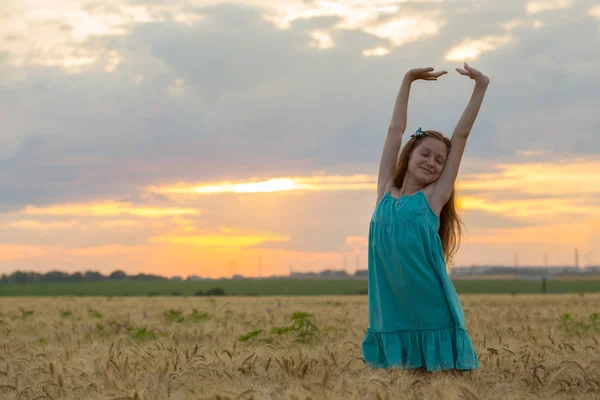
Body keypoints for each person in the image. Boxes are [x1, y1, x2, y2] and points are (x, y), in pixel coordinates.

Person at [361, 63, 490, 373]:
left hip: (431, 309)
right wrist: (407, 80)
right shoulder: (384, 192)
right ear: (410, 154)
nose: (432, 163)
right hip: (390, 311)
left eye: (440, 160)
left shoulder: (433, 199)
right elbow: (394, 131)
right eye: (425, 154)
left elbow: (460, 136)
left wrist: (480, 86)